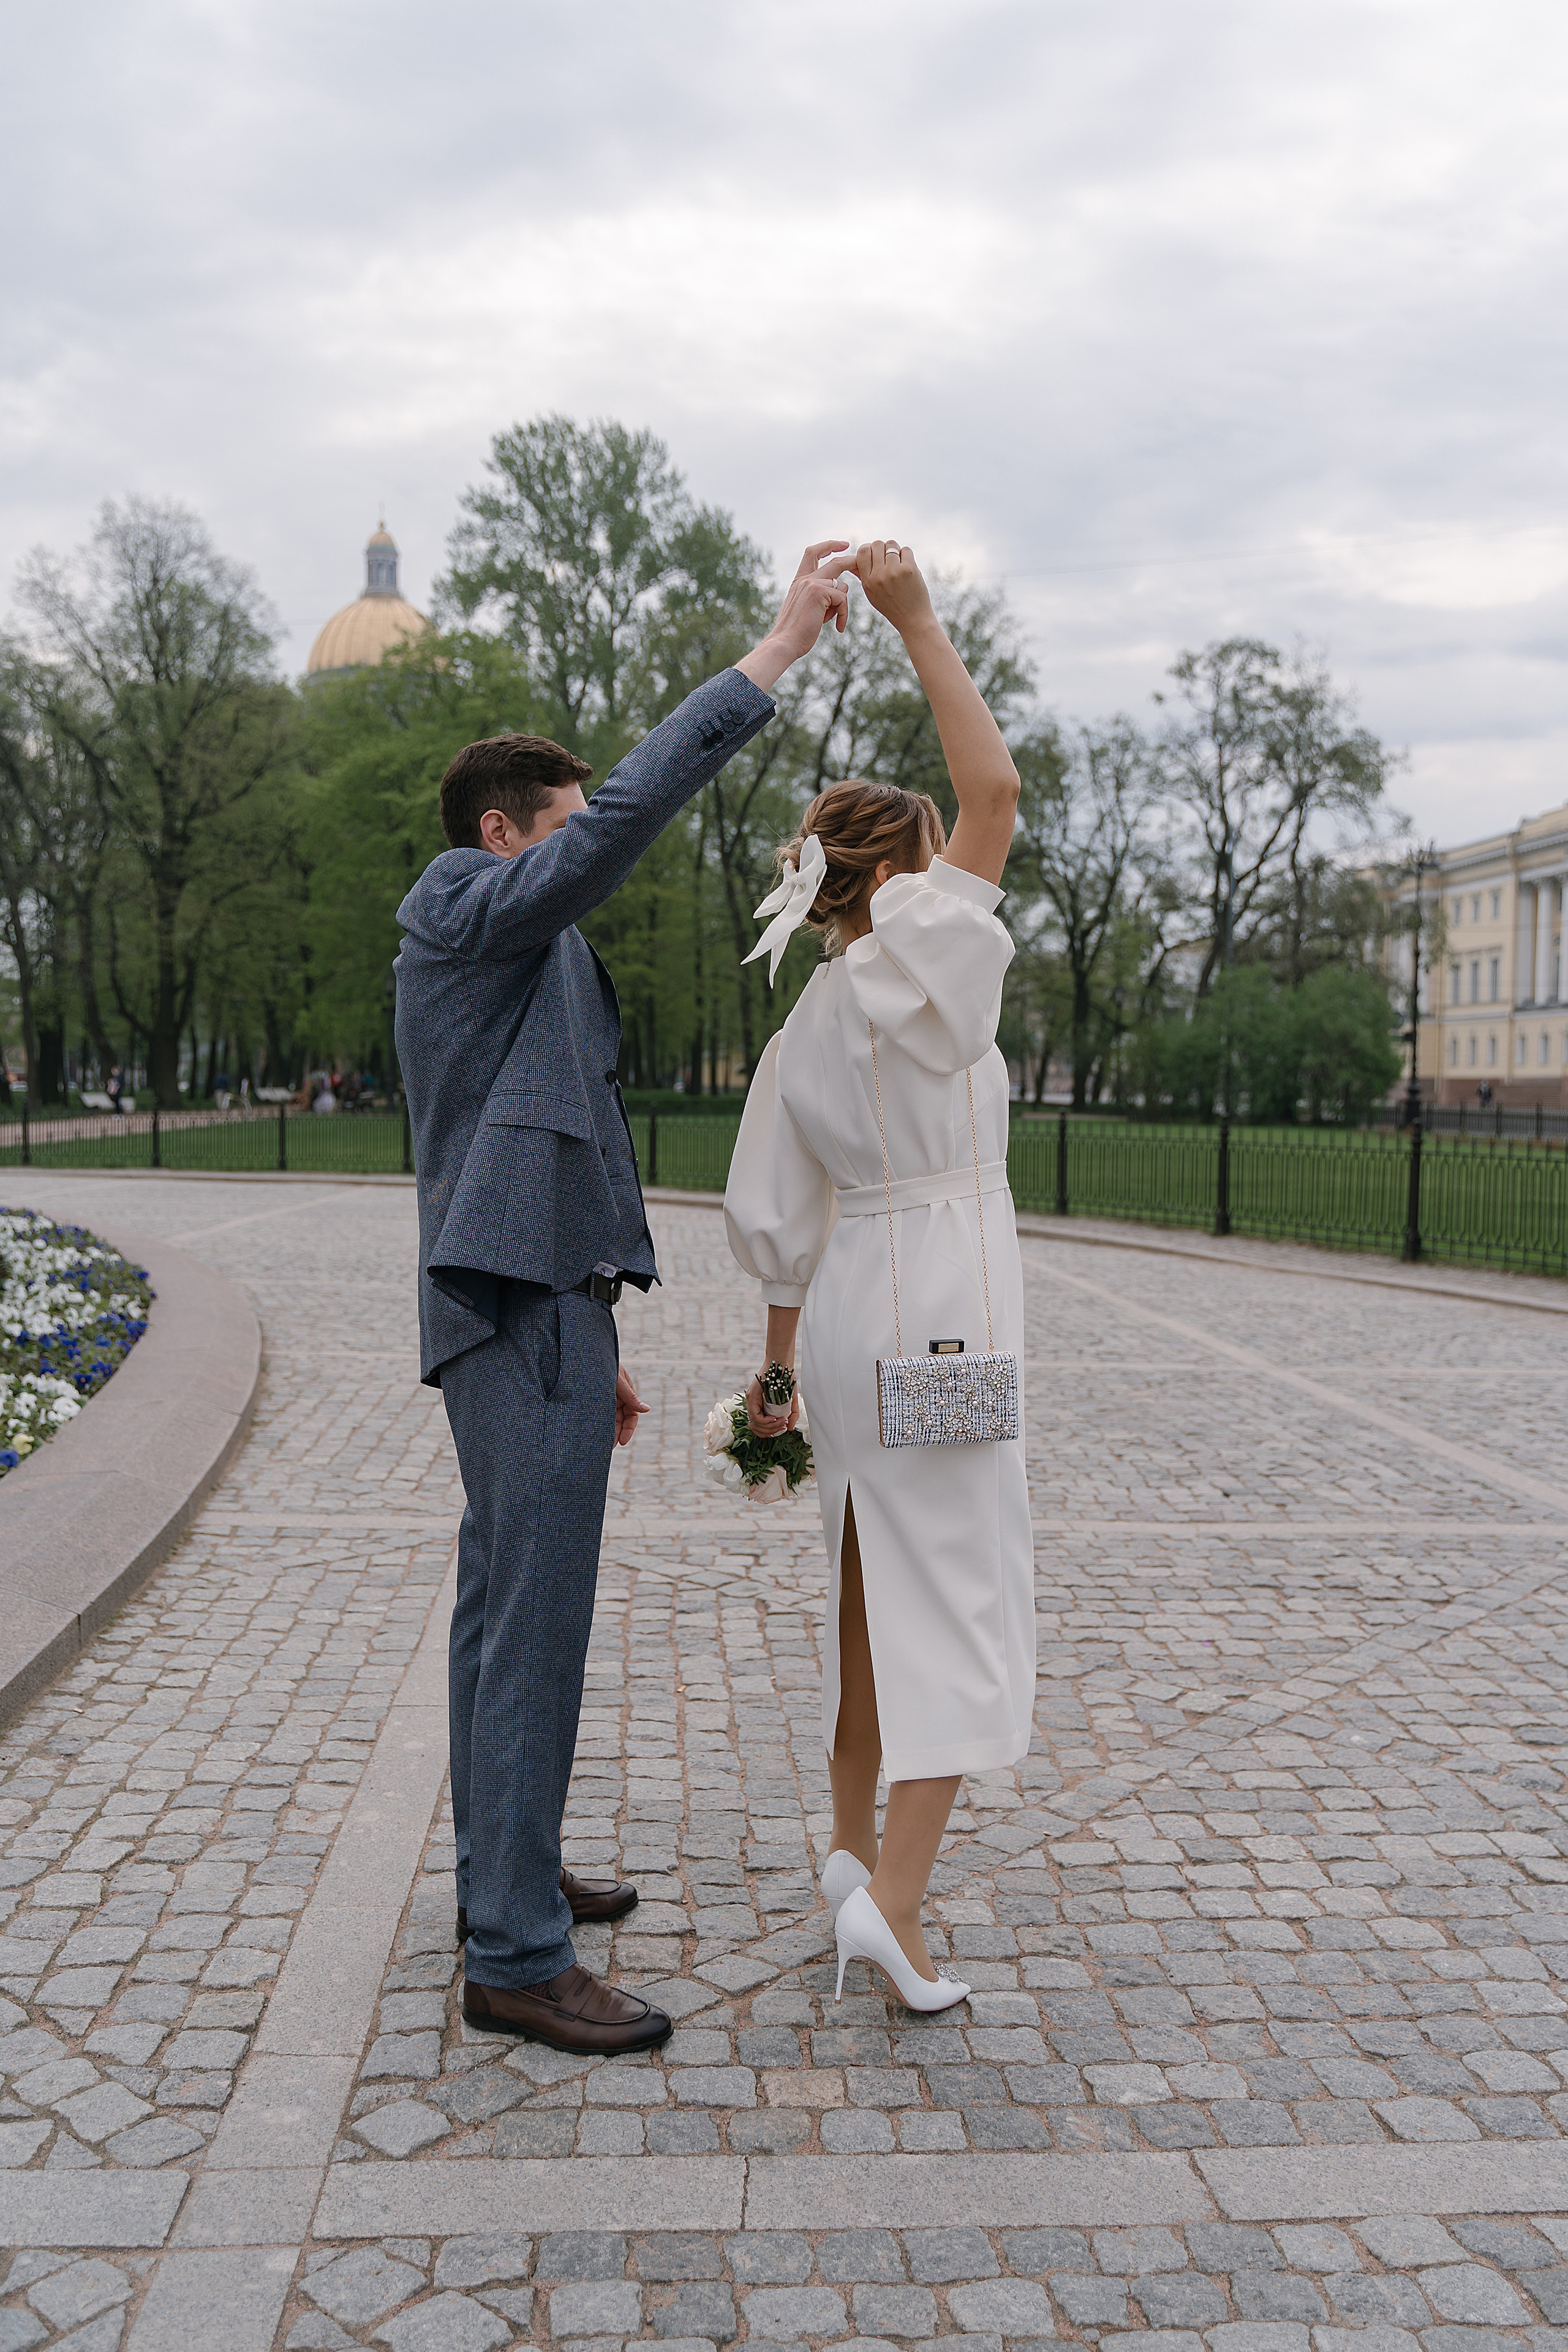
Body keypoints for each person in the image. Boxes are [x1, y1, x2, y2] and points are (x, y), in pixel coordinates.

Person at [394, 544, 854, 2056]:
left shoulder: (522, 945)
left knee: (500, 1615)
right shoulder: (463, 901)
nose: (583, 851)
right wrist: (772, 653)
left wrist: (595, 1317)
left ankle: (506, 1883)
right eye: (563, 828)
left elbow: (557, 1128)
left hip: (541, 1307)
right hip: (509, 1307)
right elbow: (623, 825)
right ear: (499, 833)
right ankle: (517, 1961)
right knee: (530, 1628)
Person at [725, 541, 1035, 2014]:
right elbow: (996, 793)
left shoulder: (807, 1021)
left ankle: (849, 1849)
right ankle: (892, 1908)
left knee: (863, 1581)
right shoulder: (922, 962)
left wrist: (775, 1372)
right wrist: (917, 620)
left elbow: (780, 1211)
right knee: (958, 1593)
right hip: (940, 1315)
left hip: (854, 1317)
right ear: (902, 877)